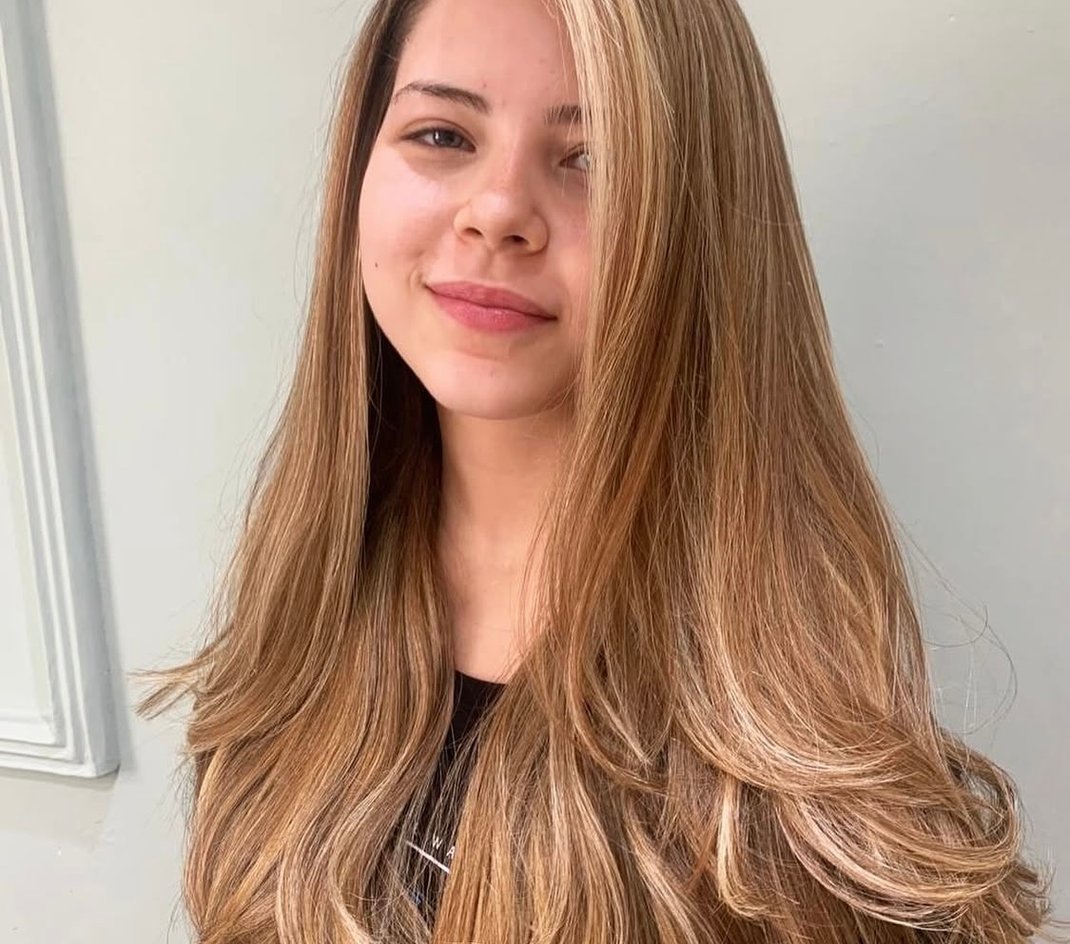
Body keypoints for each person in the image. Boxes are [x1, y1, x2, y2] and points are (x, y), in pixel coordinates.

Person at [134, 0, 1064, 940]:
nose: (498, 211)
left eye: (594, 158)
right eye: (443, 134)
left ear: (699, 220)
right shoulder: (295, 635)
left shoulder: (805, 802)